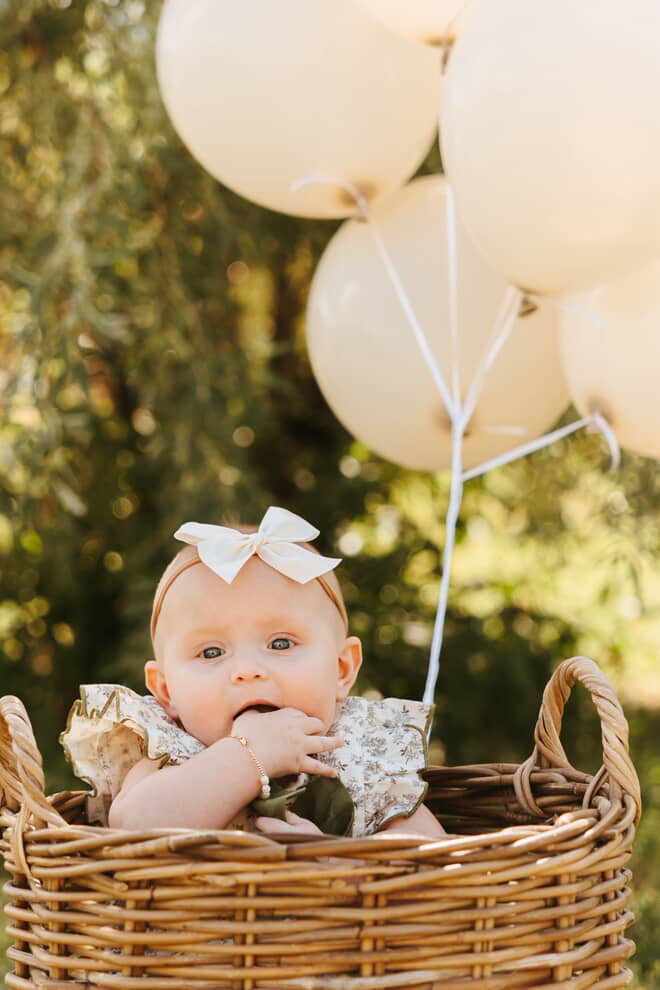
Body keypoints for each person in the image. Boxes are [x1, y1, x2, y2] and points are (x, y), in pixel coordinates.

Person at [61, 506, 445, 840]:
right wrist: (246, 758)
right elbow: (131, 828)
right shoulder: (168, 753)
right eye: (211, 652)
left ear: (341, 669)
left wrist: (342, 863)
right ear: (166, 691)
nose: (247, 671)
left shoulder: (360, 750)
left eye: (281, 644)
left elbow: (431, 855)